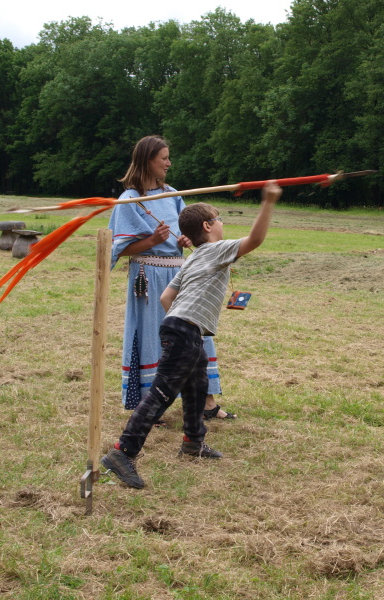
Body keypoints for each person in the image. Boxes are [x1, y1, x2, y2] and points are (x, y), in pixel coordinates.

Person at [101, 181, 283, 488]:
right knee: (162, 393)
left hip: (179, 326)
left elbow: (165, 298)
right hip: (185, 330)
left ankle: (193, 442)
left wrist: (183, 320)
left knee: (198, 384)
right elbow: (256, 239)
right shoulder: (216, 250)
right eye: (219, 219)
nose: (223, 224)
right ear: (208, 226)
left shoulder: (194, 257)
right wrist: (268, 202)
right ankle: (123, 452)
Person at [108, 135, 236, 421]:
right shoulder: (130, 200)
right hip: (148, 276)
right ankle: (150, 406)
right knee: (155, 336)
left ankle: (207, 402)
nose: (168, 163)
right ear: (147, 160)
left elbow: (190, 231)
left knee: (195, 331)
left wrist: (186, 239)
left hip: (181, 272)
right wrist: (152, 240)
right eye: (163, 158)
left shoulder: (173, 194)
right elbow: (118, 249)